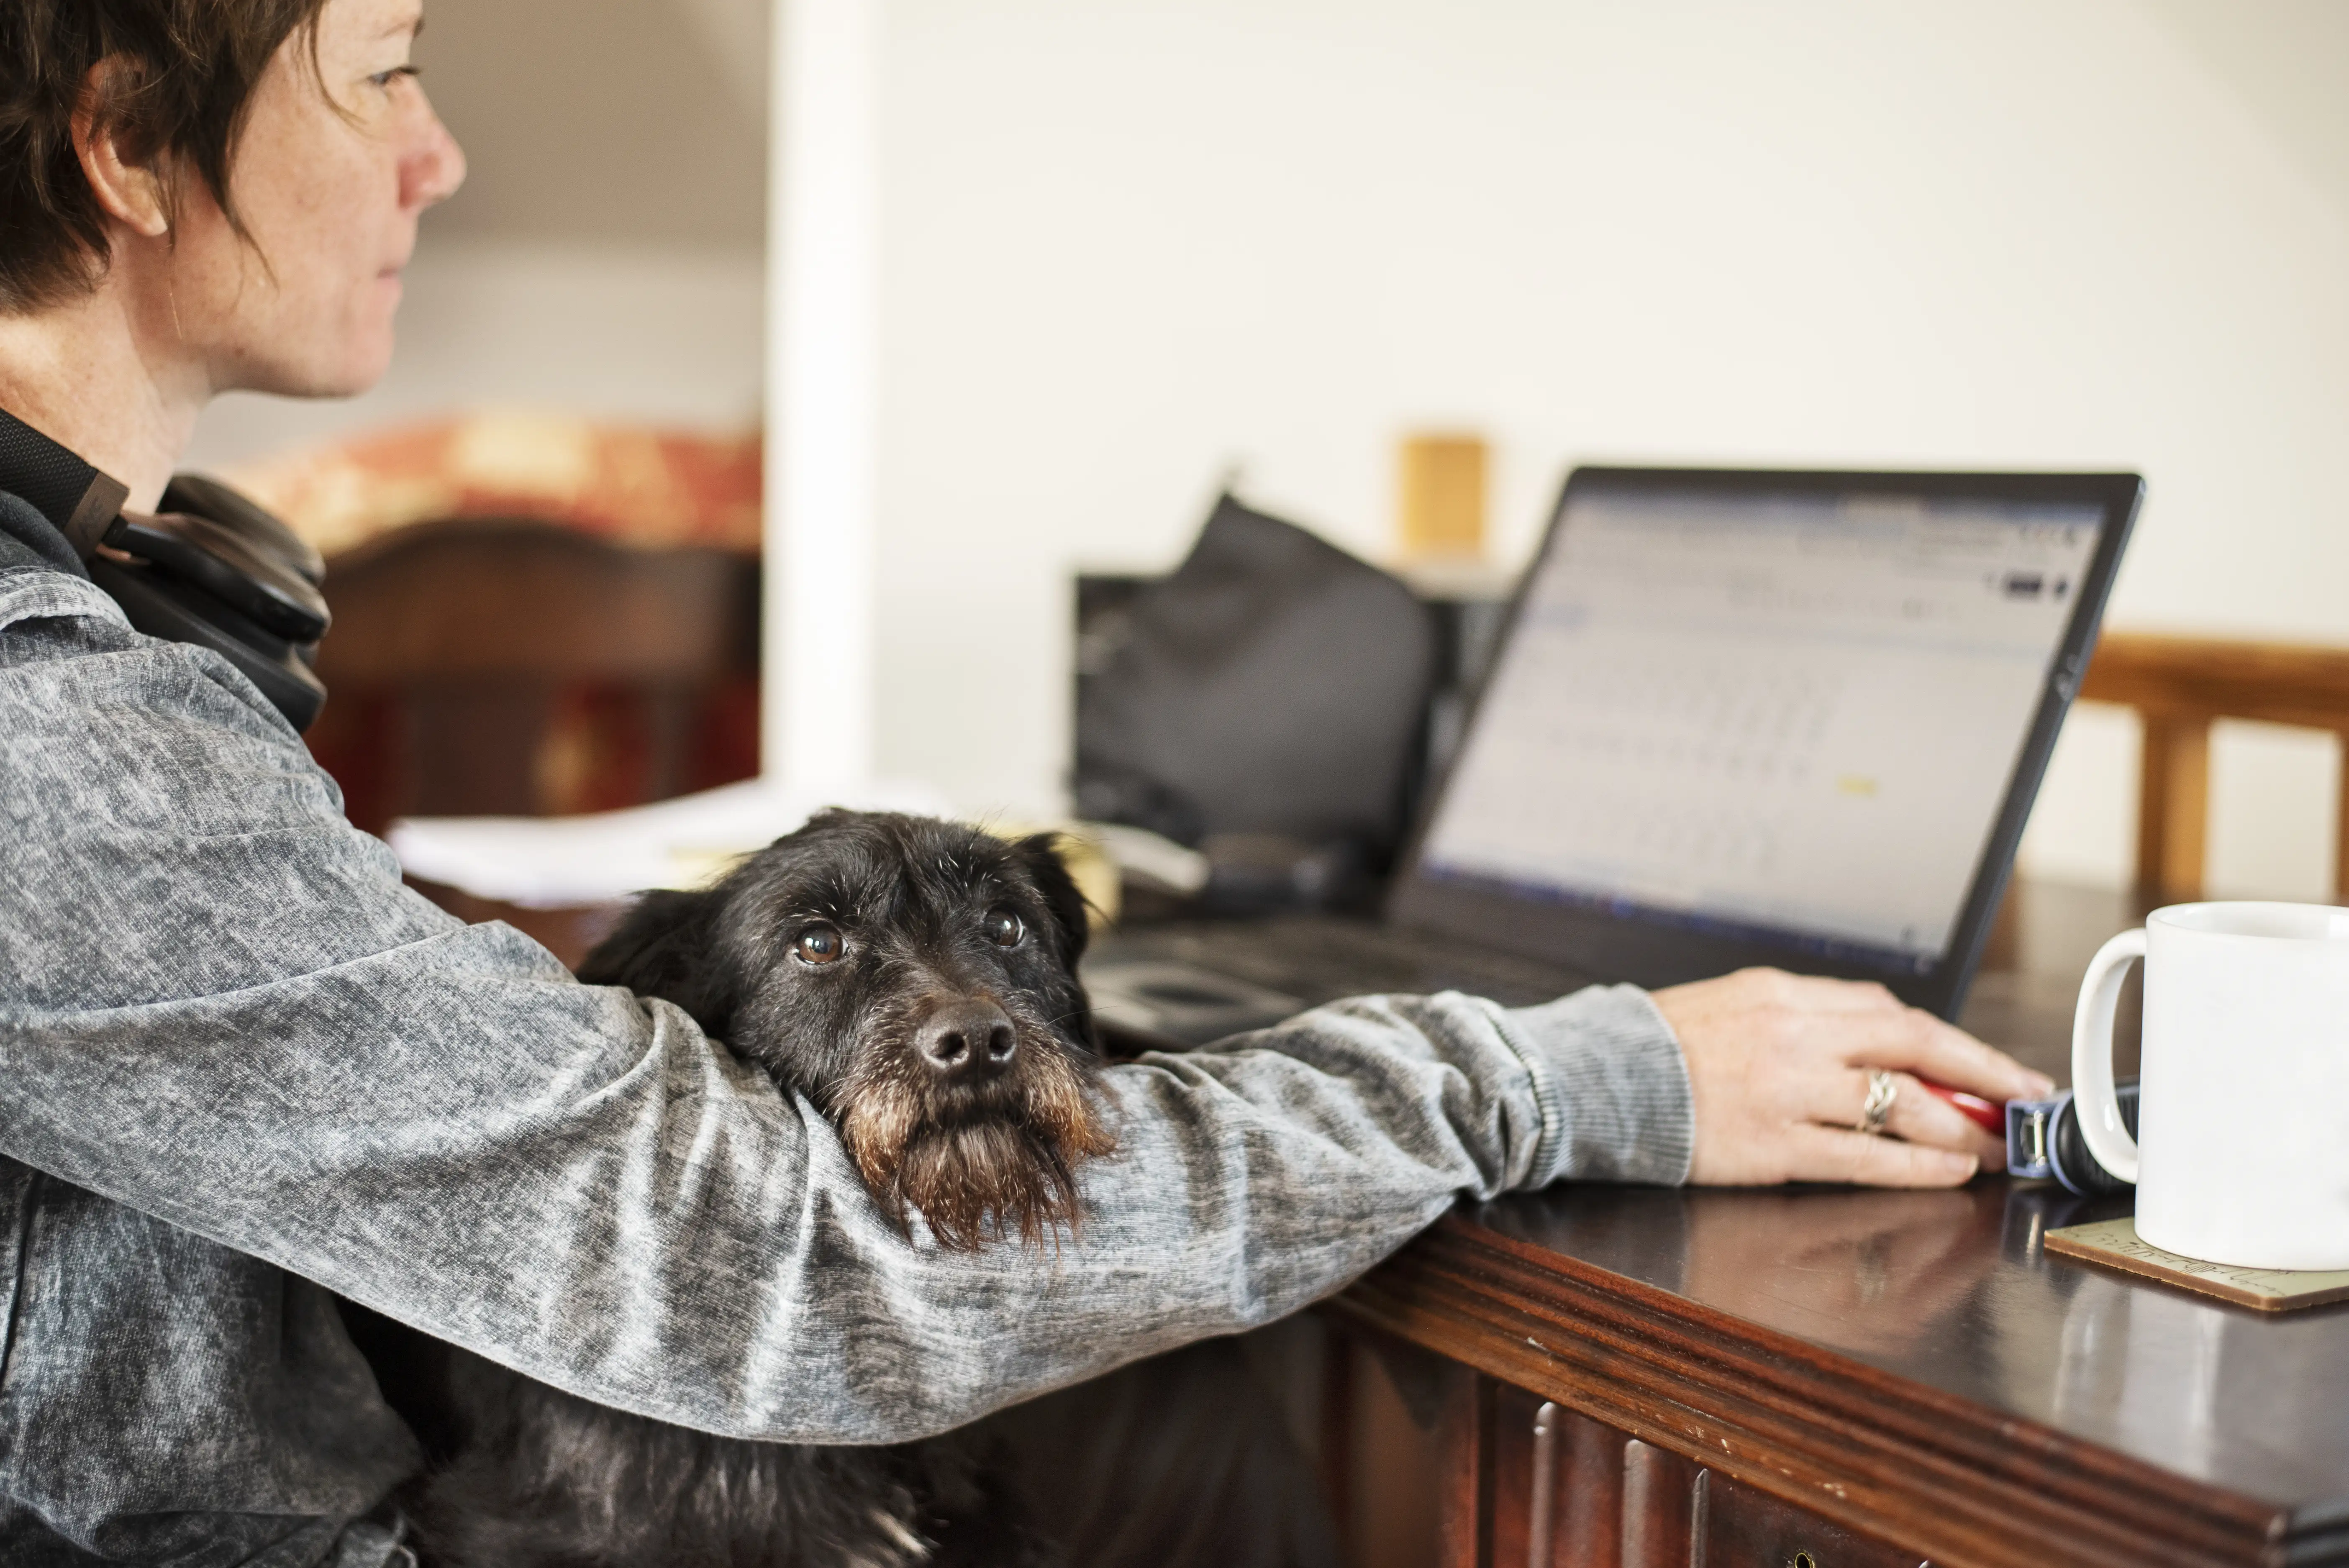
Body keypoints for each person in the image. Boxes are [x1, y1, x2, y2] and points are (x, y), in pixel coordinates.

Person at [0, 0, 2056, 1560]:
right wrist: (1582, 1072)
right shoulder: (51, 738)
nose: (436, 153)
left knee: (1214, 1413)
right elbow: (764, 1267)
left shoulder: (110, 623)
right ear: (126, 145)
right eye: (381, 70)